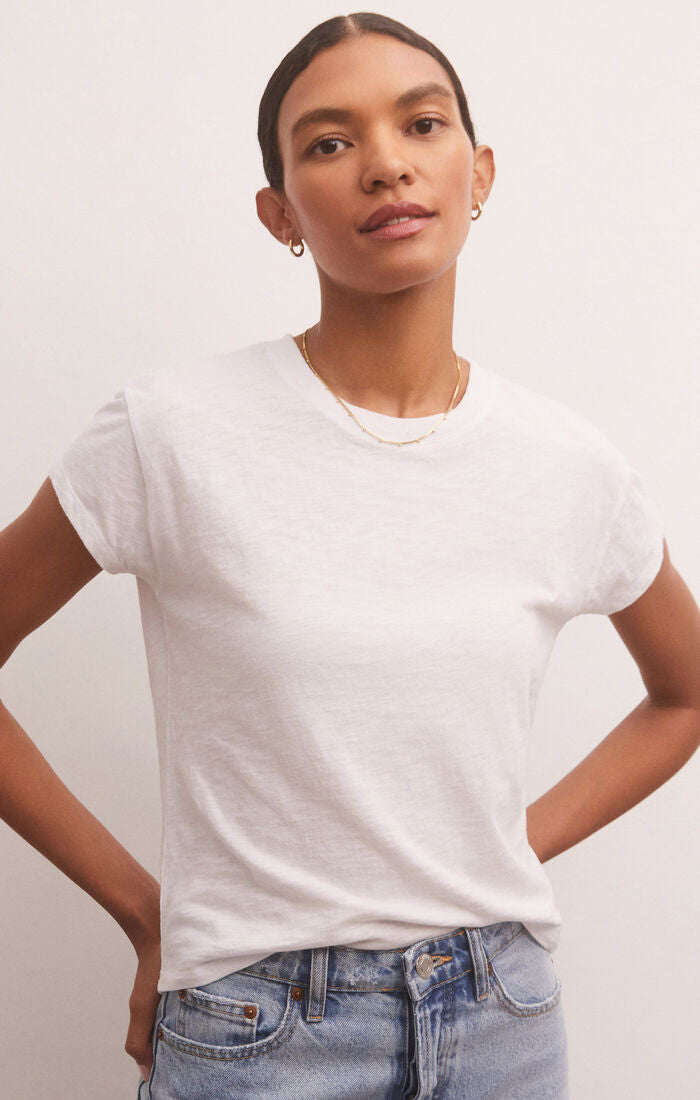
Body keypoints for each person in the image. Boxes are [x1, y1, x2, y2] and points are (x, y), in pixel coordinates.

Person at [1, 11, 699, 1099]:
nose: (386, 163)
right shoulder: (169, 433)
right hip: (259, 1030)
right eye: (329, 142)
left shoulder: (567, 464)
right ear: (279, 213)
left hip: (502, 1020)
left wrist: (503, 844)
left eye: (422, 123)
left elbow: (685, 694)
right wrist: (144, 910)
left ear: (479, 173)